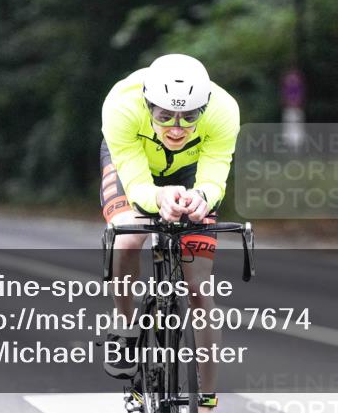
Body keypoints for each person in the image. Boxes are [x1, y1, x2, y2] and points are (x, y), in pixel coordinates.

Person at [100, 54, 239, 409]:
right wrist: (158, 197)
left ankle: (206, 397)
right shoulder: (121, 106)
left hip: (190, 173)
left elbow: (213, 177)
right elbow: (135, 181)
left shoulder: (224, 111)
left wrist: (201, 198)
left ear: (204, 108)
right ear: (148, 104)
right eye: (164, 116)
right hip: (135, 165)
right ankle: (126, 321)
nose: (176, 128)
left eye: (189, 117)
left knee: (198, 288)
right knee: (129, 236)